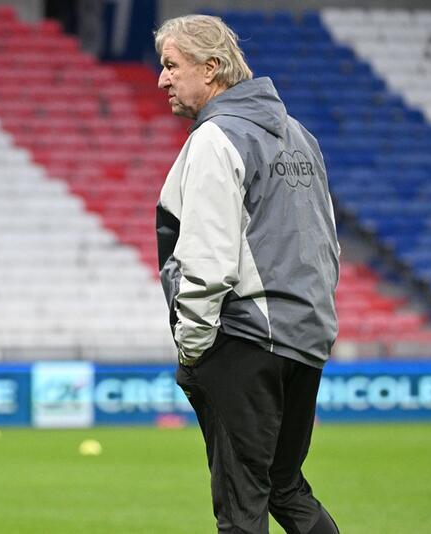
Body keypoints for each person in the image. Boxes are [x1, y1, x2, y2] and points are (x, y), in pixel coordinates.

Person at [153, 15, 341, 534]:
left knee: (241, 509)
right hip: (304, 337)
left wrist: (192, 345)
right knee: (287, 487)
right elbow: (328, 243)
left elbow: (206, 258)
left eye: (172, 65)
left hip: (244, 341)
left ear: (211, 68)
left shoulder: (216, 138)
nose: (162, 79)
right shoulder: (300, 135)